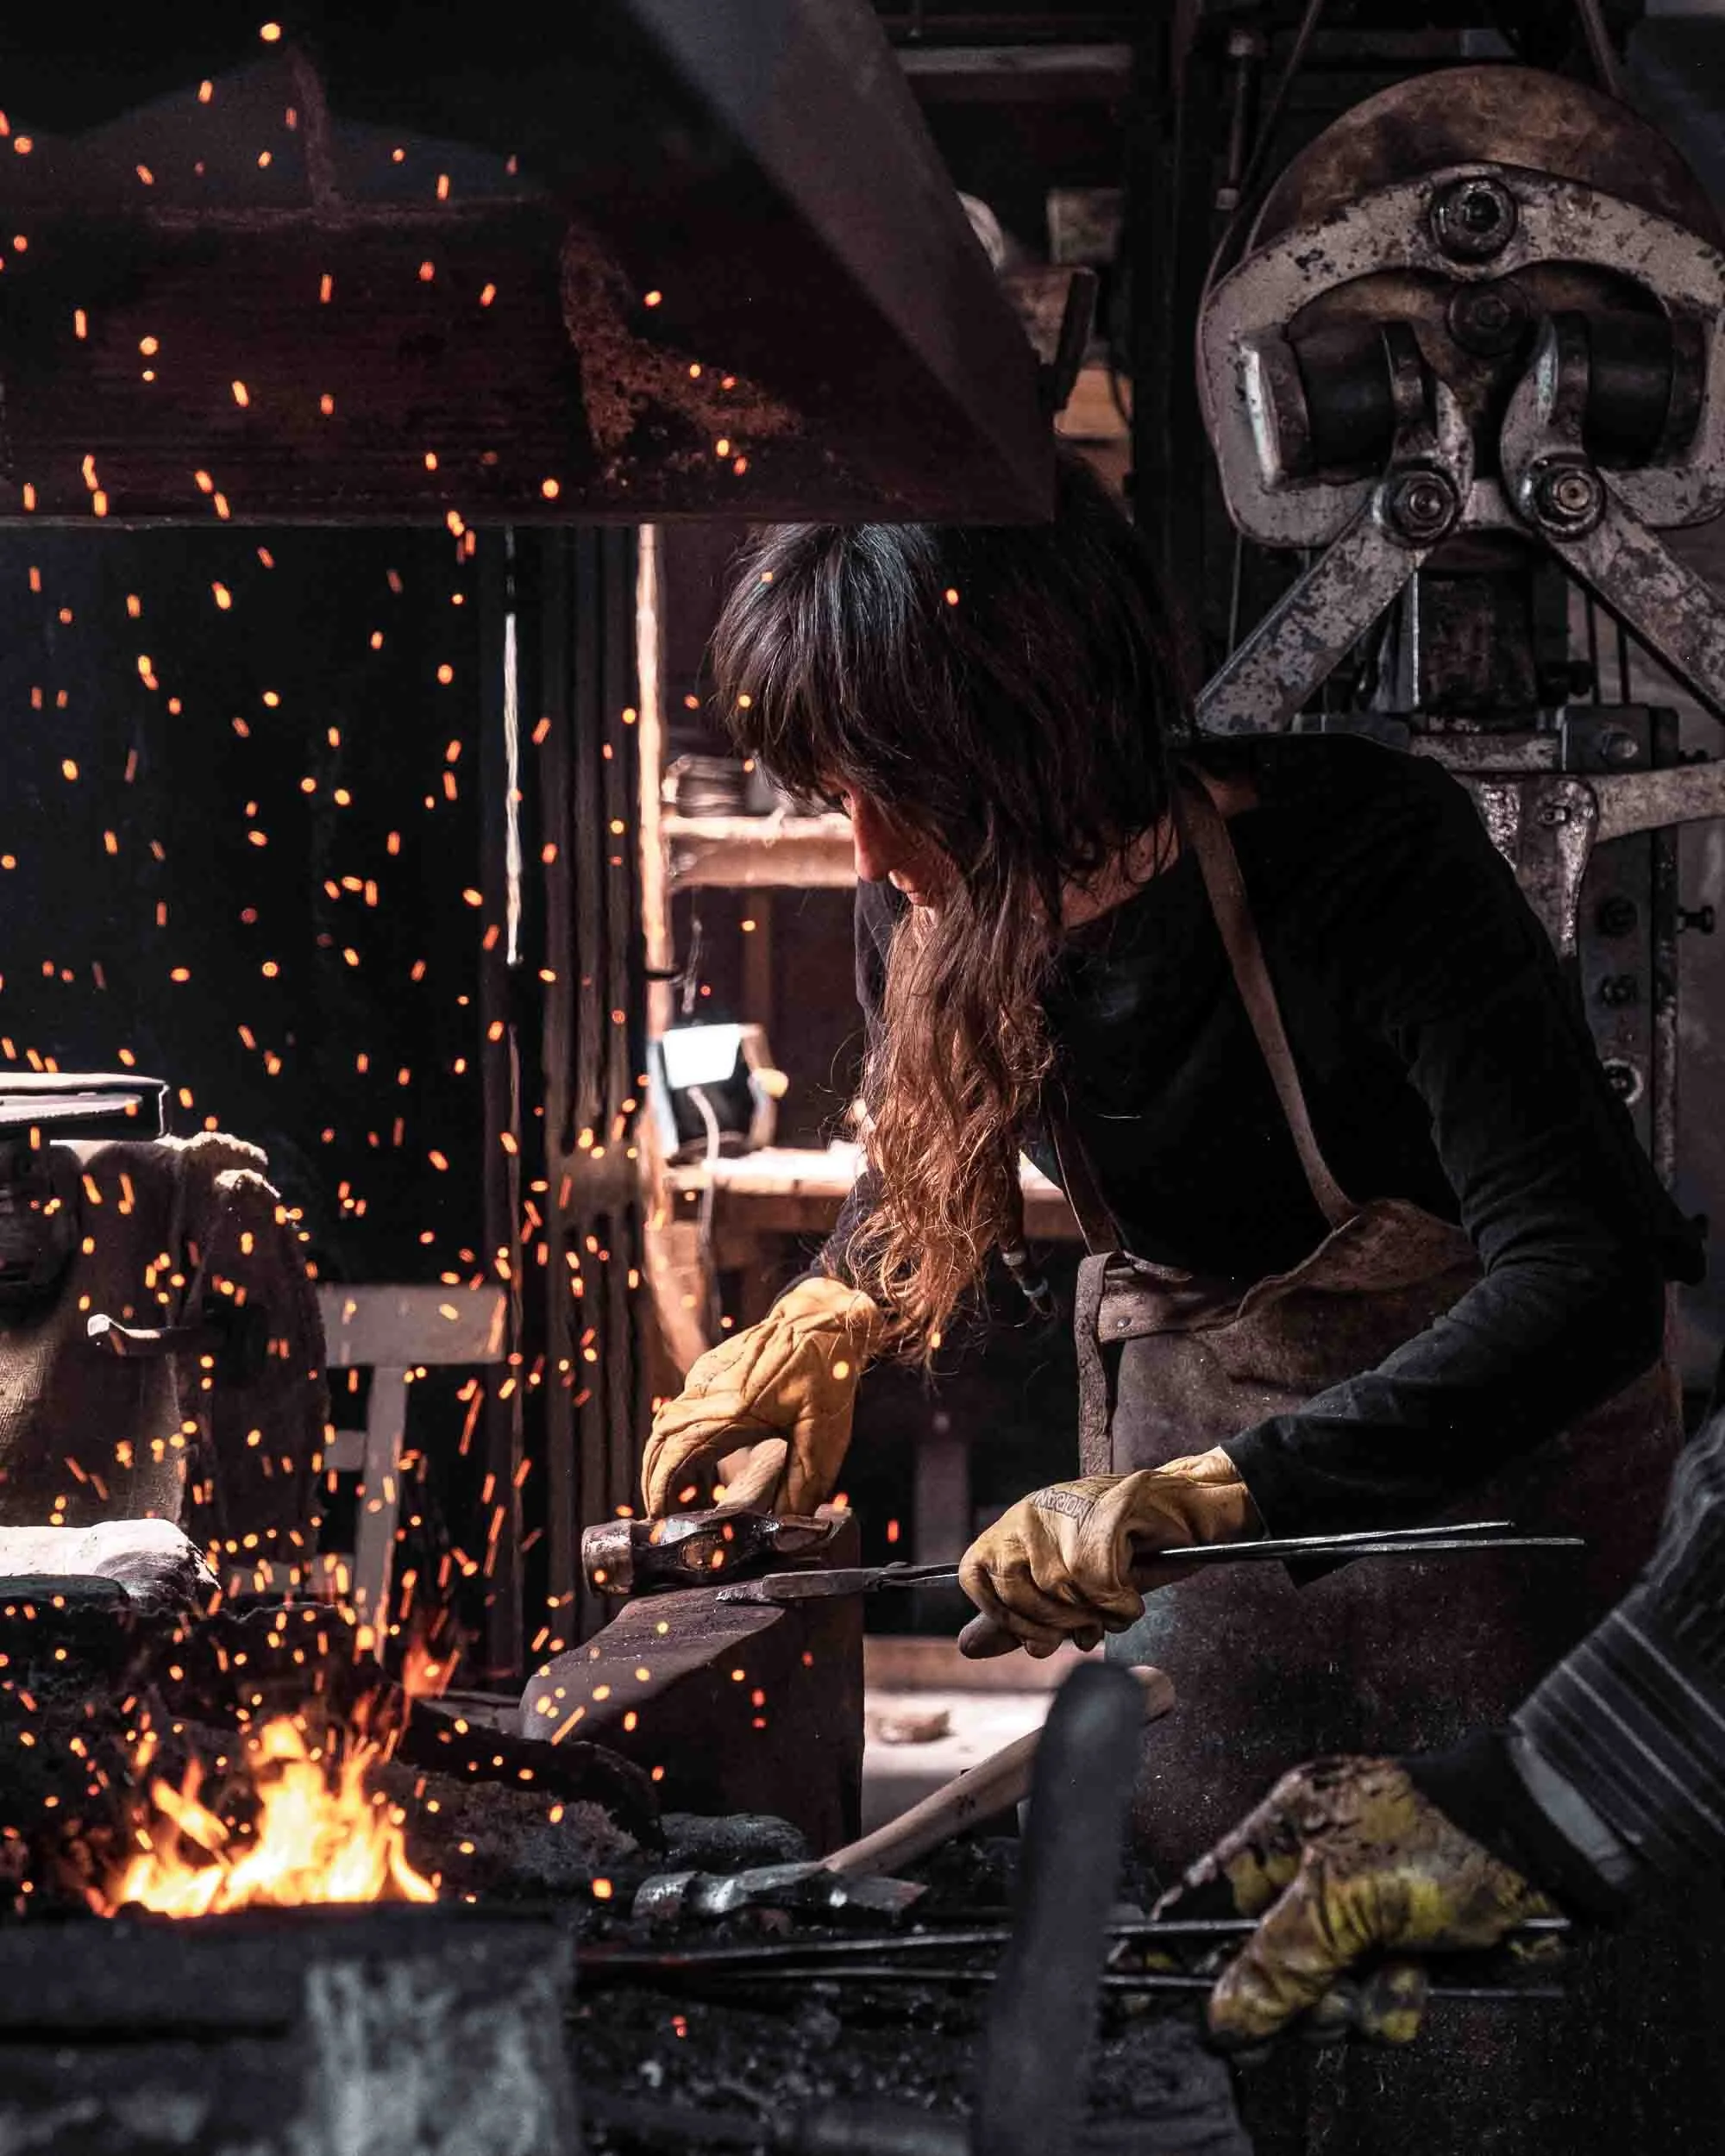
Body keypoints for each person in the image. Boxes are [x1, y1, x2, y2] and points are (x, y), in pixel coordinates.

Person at [641, 453, 1701, 1877]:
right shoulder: (931, 893)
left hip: (1497, 1511)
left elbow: (1587, 1278)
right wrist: (837, 1306)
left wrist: (1221, 1493)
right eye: (839, 793)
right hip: (1201, 1496)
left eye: (898, 790)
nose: (871, 848)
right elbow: (932, 1156)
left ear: (1040, 738)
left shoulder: (1367, 858)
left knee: (1489, 2007)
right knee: (1198, 1951)